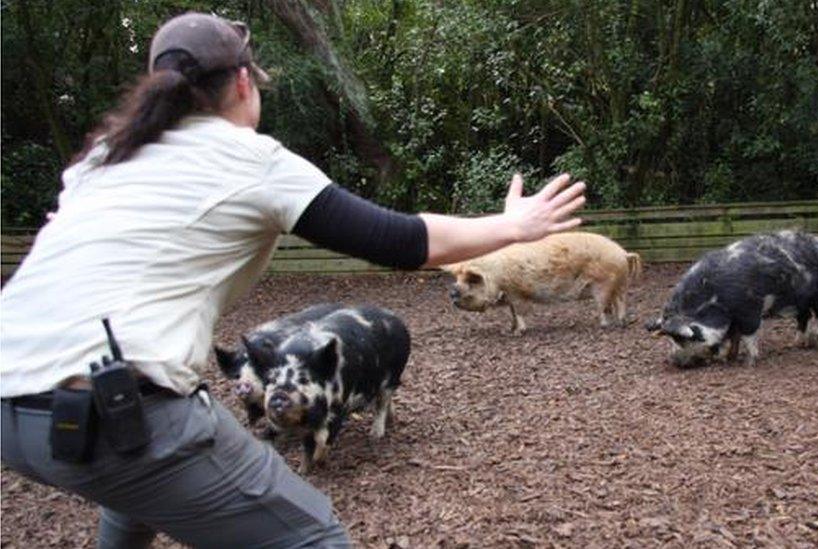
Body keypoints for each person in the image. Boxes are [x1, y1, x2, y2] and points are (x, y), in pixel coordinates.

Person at [0, 12, 585, 549]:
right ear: (244, 83)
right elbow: (402, 241)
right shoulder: (247, 158)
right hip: (113, 410)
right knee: (314, 537)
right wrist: (514, 226)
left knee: (132, 497)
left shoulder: (103, 160)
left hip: (13, 405)